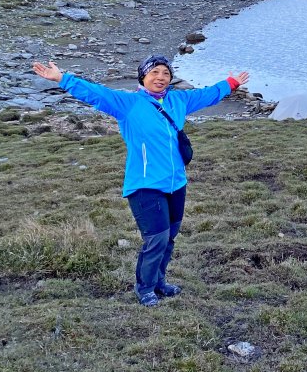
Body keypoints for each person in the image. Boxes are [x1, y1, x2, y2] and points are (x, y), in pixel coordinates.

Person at [32, 54, 249, 307]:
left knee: (169, 237)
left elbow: (207, 95)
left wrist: (231, 83)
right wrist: (62, 78)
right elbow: (96, 93)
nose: (160, 78)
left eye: (165, 74)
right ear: (143, 77)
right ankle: (144, 288)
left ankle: (159, 282)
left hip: (176, 183)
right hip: (145, 185)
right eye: (154, 72)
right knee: (156, 238)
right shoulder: (128, 104)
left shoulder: (179, 100)